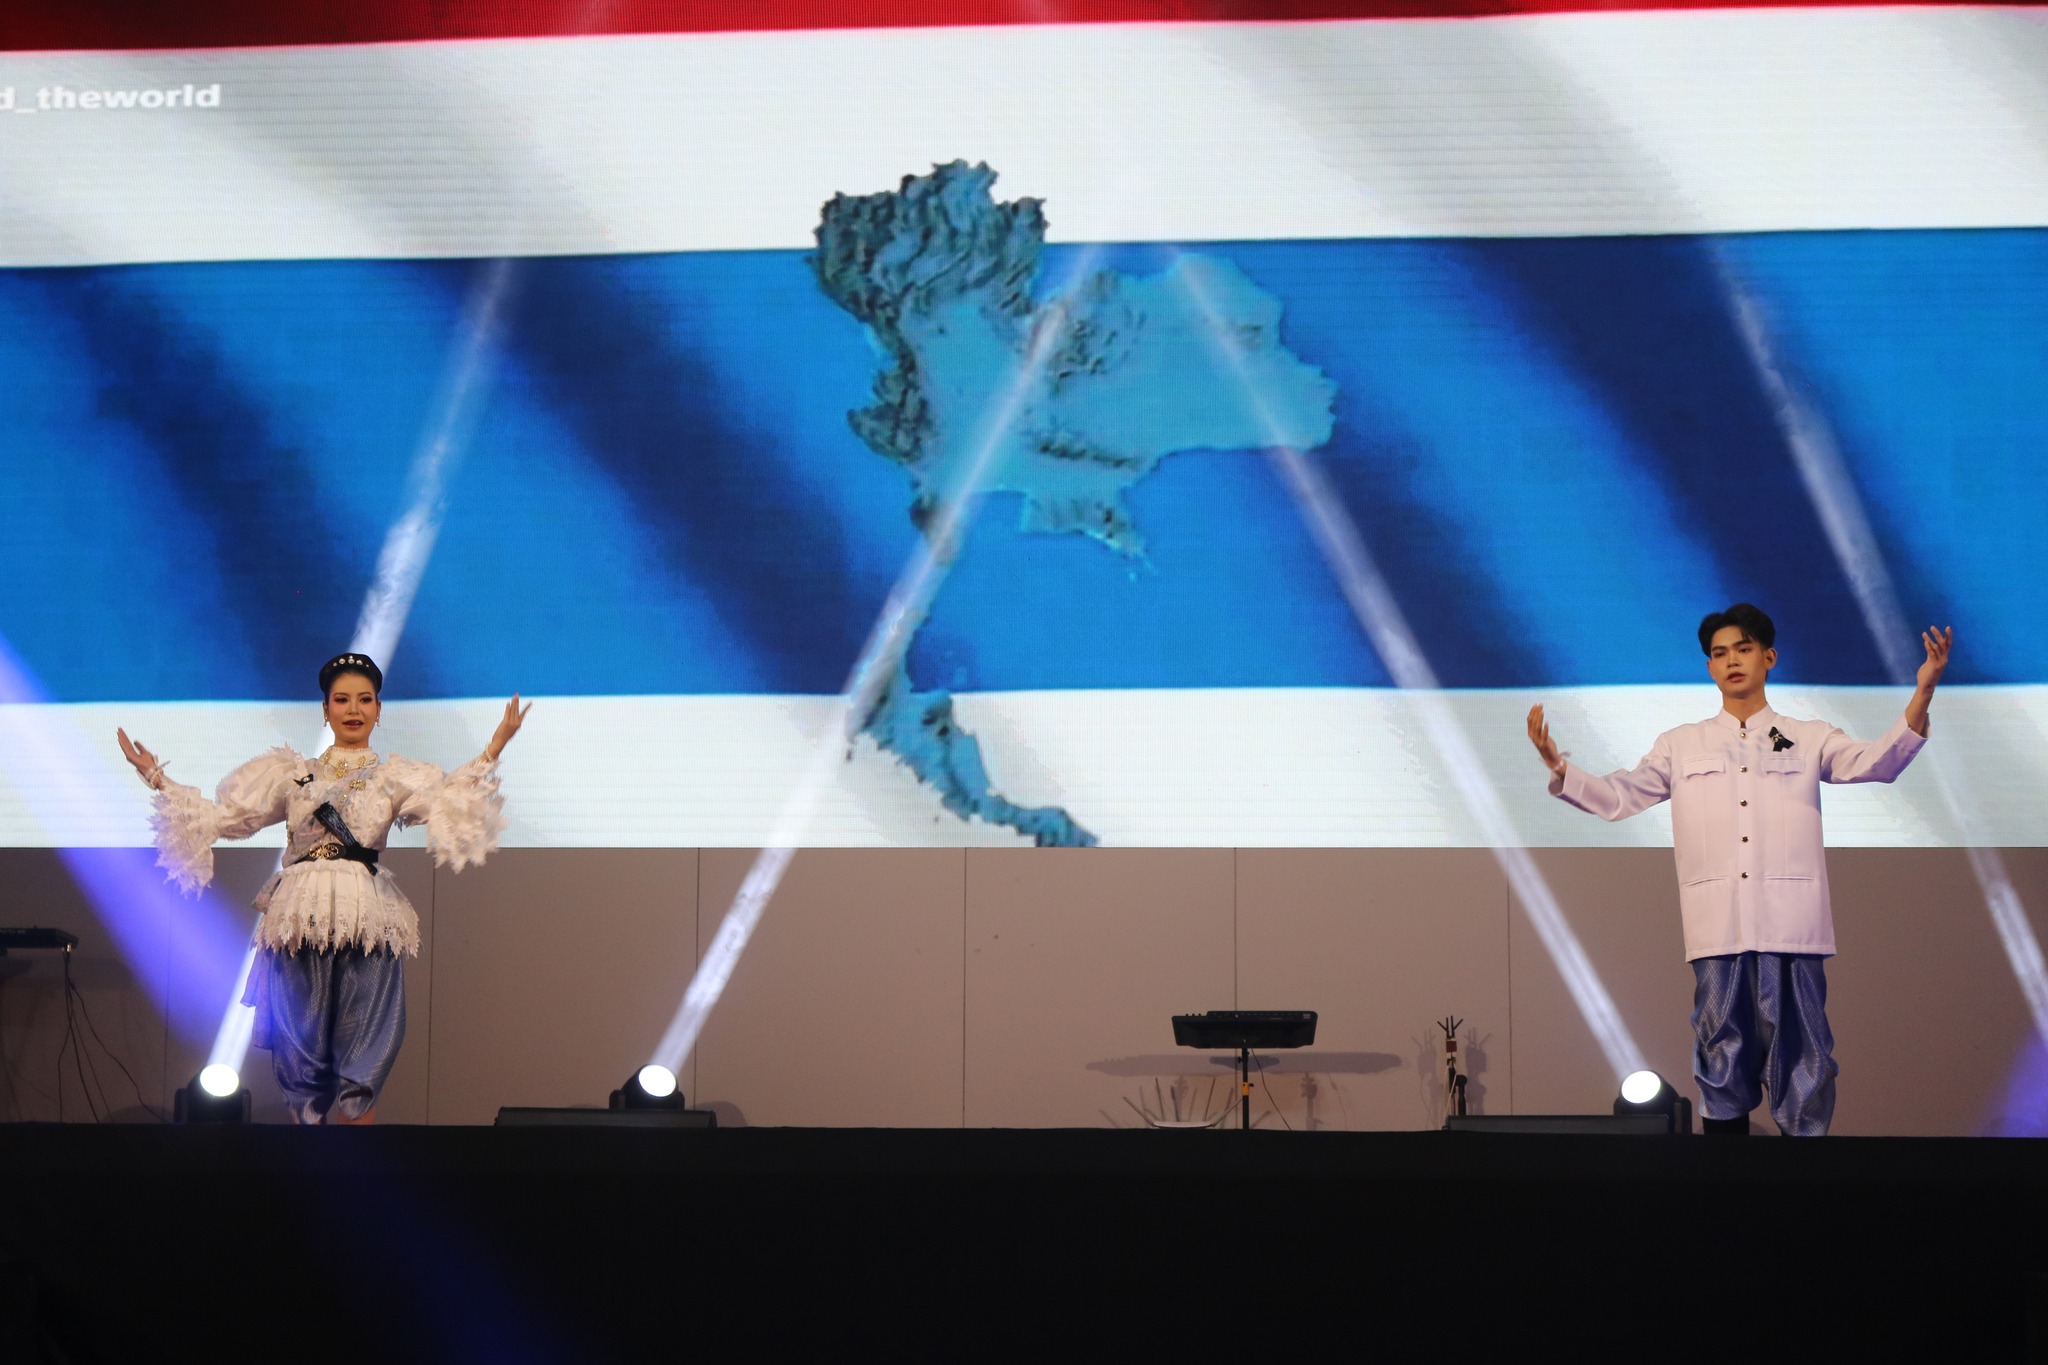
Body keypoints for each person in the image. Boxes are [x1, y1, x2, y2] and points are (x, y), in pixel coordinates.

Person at [1526, 604, 1951, 1136]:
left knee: (1804, 1055)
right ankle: (1724, 1174)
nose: (1731, 661)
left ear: (1768, 657)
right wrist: (1559, 766)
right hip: (1717, 927)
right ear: (1709, 667)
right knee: (1721, 1050)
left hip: (1792, 925)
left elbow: (1878, 762)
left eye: (1743, 649)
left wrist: (1924, 690)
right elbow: (1620, 797)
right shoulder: (1681, 744)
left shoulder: (1808, 735)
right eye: (1719, 653)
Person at [116, 653, 530, 1125]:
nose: (353, 709)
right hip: (300, 920)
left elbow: (449, 801)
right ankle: (308, 1161)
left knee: (365, 1053)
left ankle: (355, 1163)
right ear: (325, 709)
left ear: (378, 709)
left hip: (366, 918)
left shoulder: (394, 777)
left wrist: (494, 746)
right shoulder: (292, 774)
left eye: (365, 700)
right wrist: (156, 777)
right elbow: (225, 820)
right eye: (342, 699)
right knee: (300, 1057)